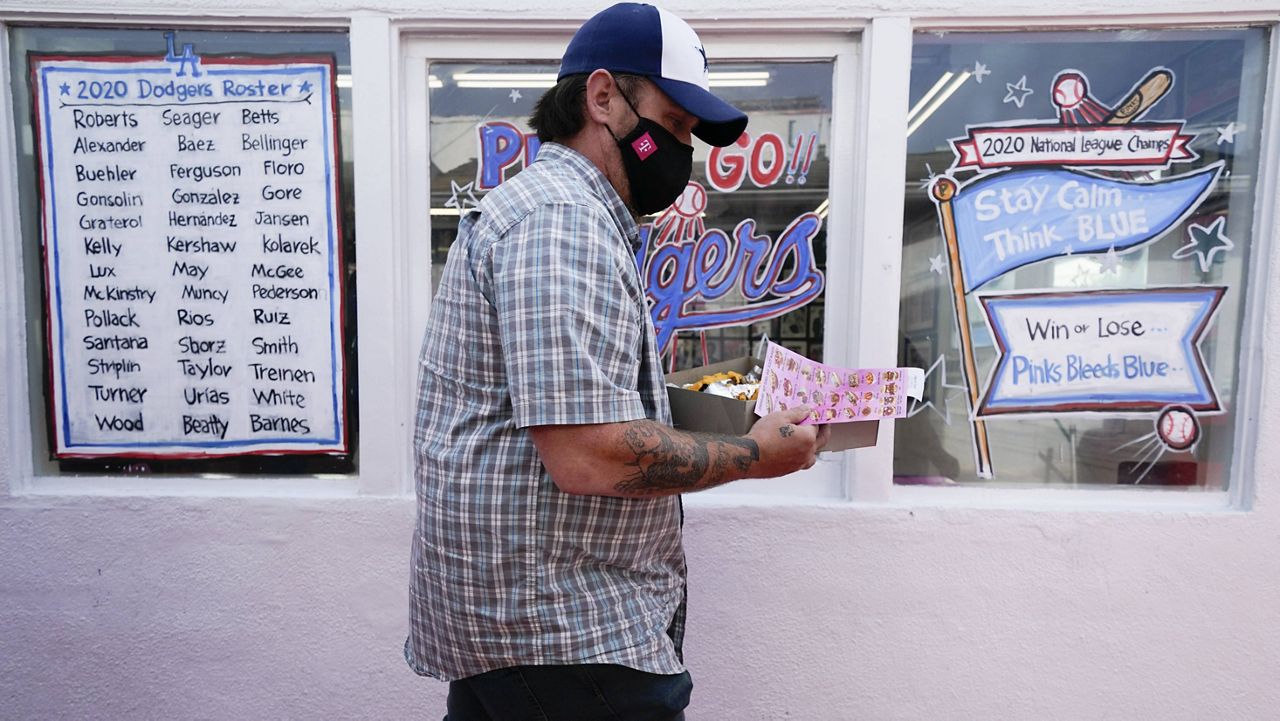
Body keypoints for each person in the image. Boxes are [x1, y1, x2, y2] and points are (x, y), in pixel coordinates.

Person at [405, 4, 830, 719]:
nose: (681, 148)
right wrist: (756, 453)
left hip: (529, 634)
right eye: (673, 123)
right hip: (566, 638)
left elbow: (560, 417)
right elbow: (586, 455)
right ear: (602, 98)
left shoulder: (567, 214)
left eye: (690, 134)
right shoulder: (561, 221)